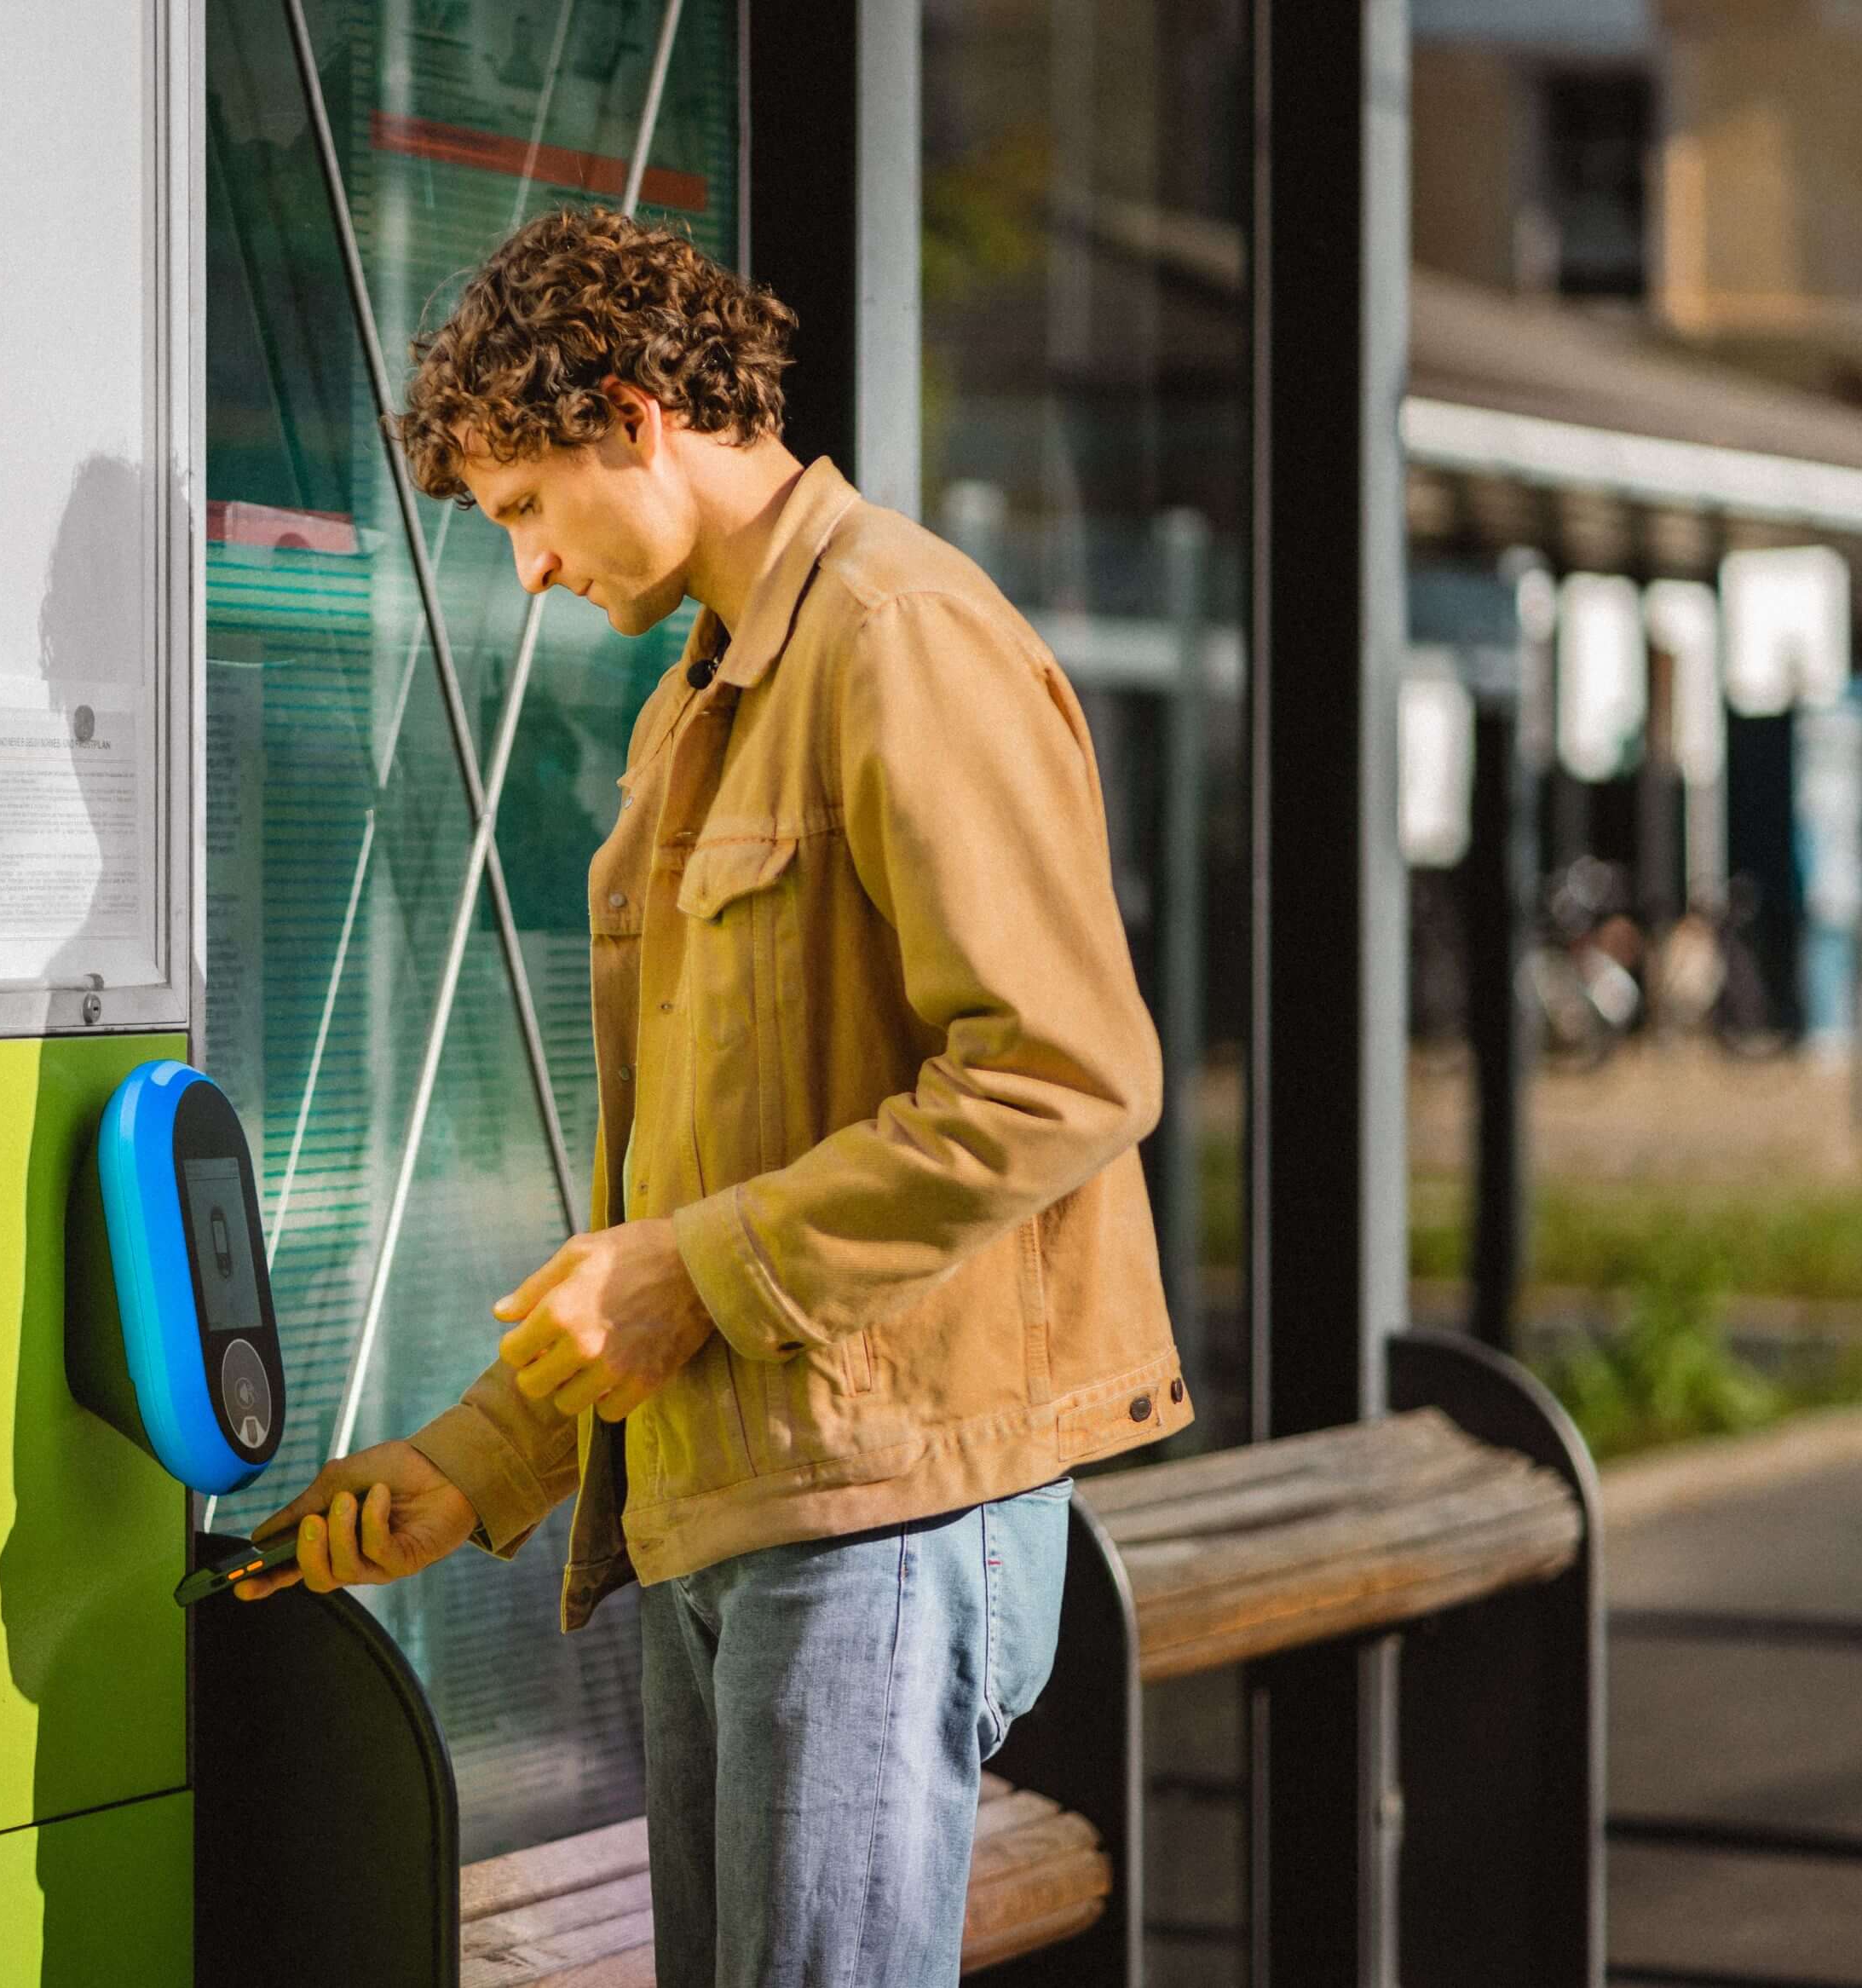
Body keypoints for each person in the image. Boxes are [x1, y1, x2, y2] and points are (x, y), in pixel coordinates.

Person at [235, 205, 1183, 1986]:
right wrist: (479, 1460)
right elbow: (682, 1195)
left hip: (880, 1516)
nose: (522, 571)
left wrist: (685, 1273)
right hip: (743, 1507)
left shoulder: (900, 636)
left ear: (626, 415)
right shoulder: (702, 703)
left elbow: (1066, 1068)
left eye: (522, 508)